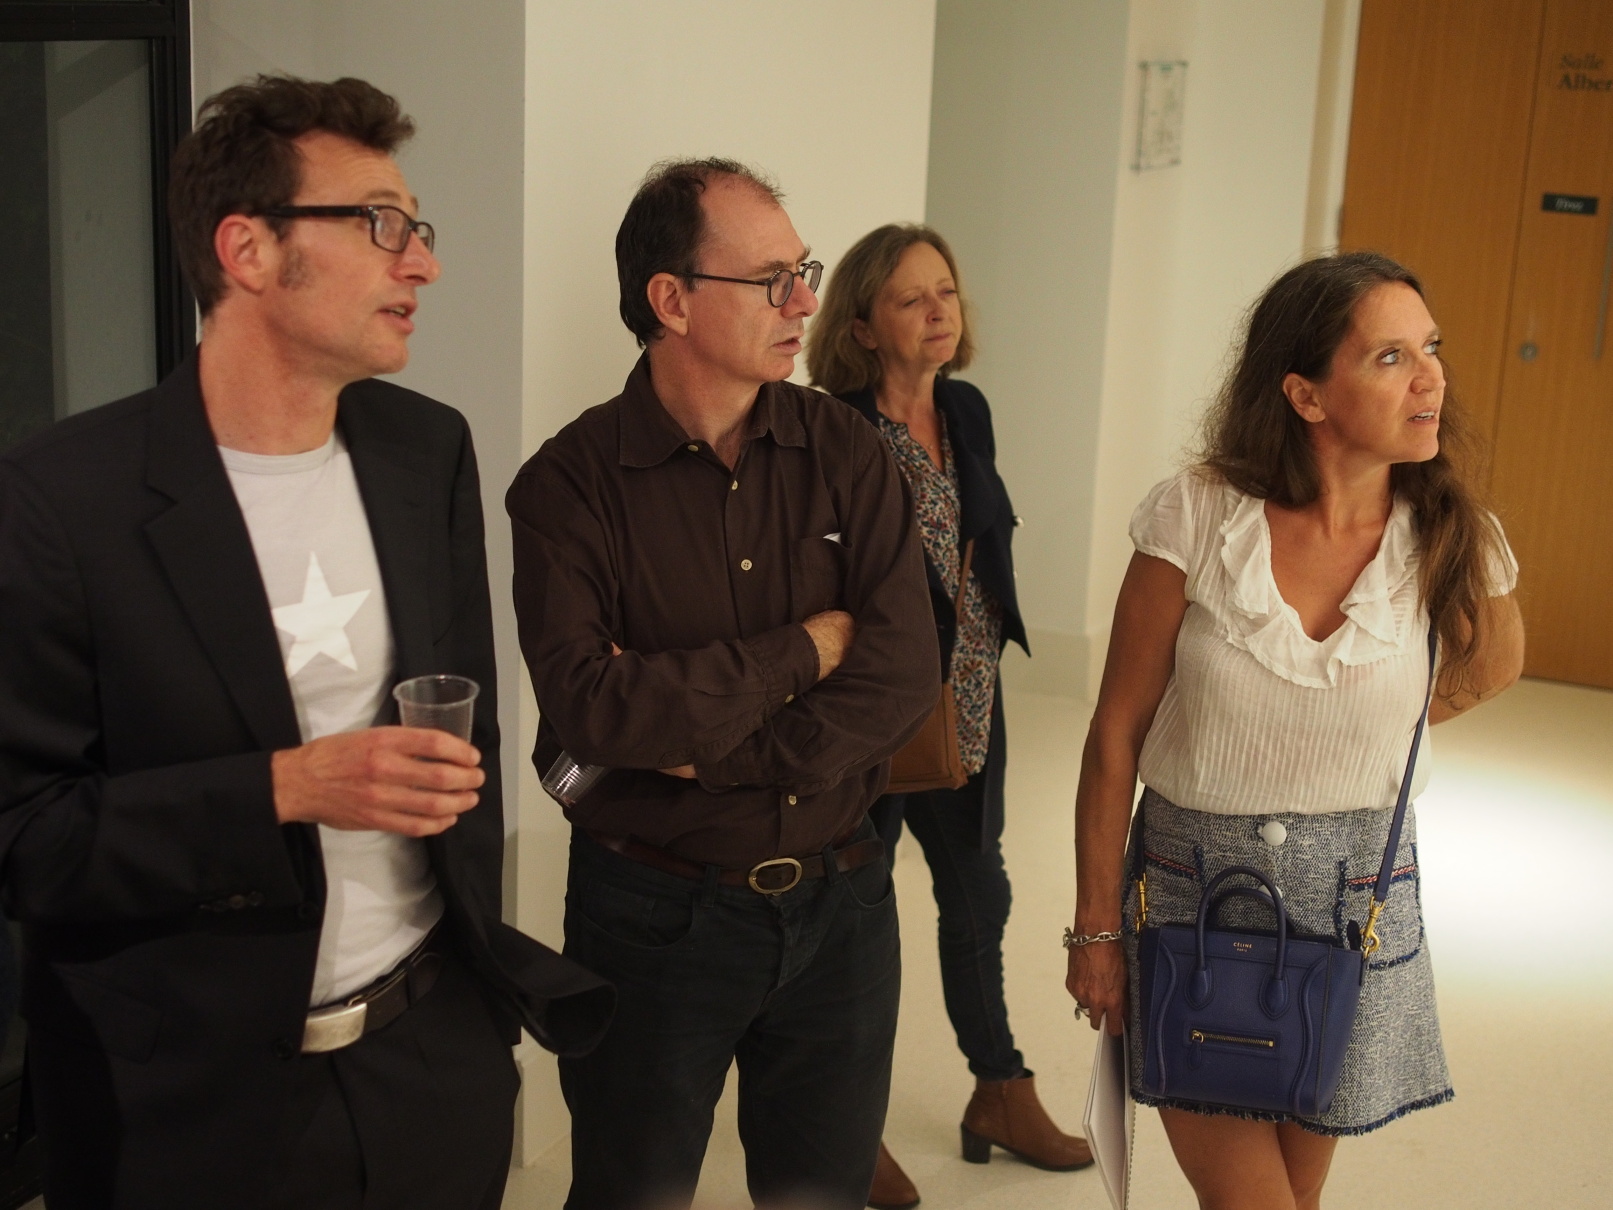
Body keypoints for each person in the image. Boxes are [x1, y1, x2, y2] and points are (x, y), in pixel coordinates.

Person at [0, 76, 612, 1210]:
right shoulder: (58, 500)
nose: (421, 263)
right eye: (380, 224)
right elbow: (26, 839)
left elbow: (461, 743)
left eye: (418, 228)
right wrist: (284, 788)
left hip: (428, 1062)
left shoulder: (425, 449)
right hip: (188, 1109)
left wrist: (474, 1022)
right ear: (247, 249)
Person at [507, 159, 941, 1210]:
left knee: (819, 1194)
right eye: (771, 280)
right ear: (670, 299)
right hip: (653, 916)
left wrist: (714, 754)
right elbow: (596, 711)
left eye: (804, 272)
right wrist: (807, 649)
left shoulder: (847, 450)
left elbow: (902, 673)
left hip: (843, 903)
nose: (804, 303)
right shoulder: (567, 487)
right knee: (634, 1191)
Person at [1066, 251, 1525, 1210]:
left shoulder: (1450, 531)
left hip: (1356, 900)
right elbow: (1115, 732)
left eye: (1430, 348)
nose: (1431, 378)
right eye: (1390, 356)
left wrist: (1358, 722)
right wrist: (1096, 928)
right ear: (1304, 394)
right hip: (1192, 892)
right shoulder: (1197, 513)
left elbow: (1491, 666)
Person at [809, 224, 1092, 1208]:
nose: (938, 310)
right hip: (875, 712)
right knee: (855, 921)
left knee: (978, 896)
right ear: (860, 326)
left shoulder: (965, 408)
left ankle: (998, 1089)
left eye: (945, 290)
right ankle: (844, 1132)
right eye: (909, 298)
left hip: (967, 699)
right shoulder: (831, 429)